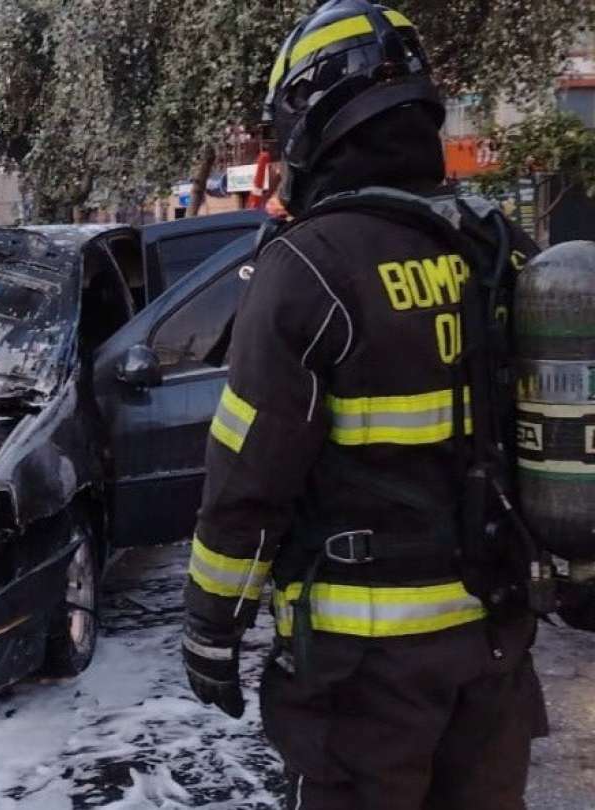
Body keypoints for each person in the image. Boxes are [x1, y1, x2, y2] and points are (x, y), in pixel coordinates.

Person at [179, 2, 548, 808]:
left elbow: (250, 473)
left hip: (363, 675)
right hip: (493, 653)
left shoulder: (310, 266)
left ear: (313, 113)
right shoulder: (495, 248)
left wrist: (212, 624)